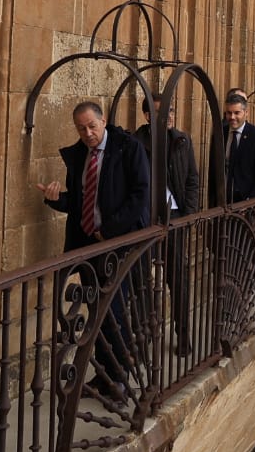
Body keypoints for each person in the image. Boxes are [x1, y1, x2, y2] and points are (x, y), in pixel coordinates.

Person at [42, 101, 153, 397]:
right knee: (96, 313)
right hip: (89, 245)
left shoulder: (128, 148)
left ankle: (119, 376)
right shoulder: (80, 154)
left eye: (92, 126)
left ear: (103, 121)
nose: (88, 133)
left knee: (113, 312)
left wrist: (110, 231)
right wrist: (55, 199)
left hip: (118, 244)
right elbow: (81, 202)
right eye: (81, 128)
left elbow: (140, 195)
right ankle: (104, 374)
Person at [136, 97, 201, 353]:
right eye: (161, 111)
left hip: (175, 216)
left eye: (171, 109)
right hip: (147, 219)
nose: (169, 115)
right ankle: (145, 336)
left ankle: (182, 334)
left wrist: (188, 214)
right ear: (147, 116)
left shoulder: (182, 140)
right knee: (142, 278)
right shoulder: (136, 142)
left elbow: (192, 179)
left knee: (178, 278)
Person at [223, 93, 255, 202]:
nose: (232, 117)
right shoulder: (221, 134)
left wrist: (250, 202)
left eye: (237, 113)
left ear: (246, 113)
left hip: (250, 202)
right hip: (226, 201)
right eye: (229, 113)